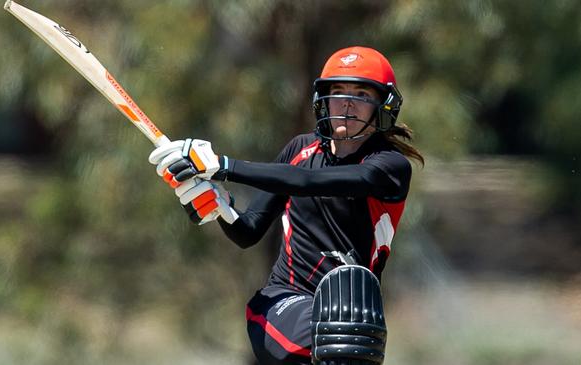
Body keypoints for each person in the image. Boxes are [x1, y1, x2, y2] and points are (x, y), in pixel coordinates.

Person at [148, 46, 424, 365]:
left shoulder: (389, 165)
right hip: (281, 305)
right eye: (338, 91)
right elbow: (248, 231)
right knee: (337, 333)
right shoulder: (300, 148)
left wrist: (222, 165)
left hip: (353, 318)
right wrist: (220, 207)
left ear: (383, 106)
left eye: (361, 93)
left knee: (344, 326)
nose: (347, 103)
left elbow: (307, 182)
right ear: (324, 99)